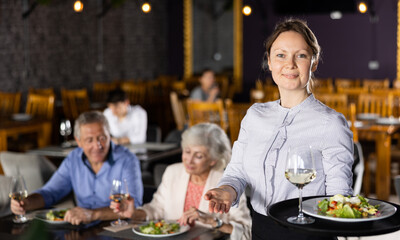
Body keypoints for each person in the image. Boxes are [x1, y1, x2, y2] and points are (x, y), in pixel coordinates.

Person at [204, 19, 354, 240]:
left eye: (301, 55)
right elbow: (237, 172)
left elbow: (339, 198)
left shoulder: (330, 123)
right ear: (270, 62)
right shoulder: (254, 116)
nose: (290, 64)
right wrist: (226, 191)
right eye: (281, 55)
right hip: (262, 229)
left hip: (310, 233)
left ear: (313, 63)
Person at [111, 123, 251, 239]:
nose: (189, 160)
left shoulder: (228, 184)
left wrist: (212, 221)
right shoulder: (173, 172)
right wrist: (134, 213)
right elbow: (156, 209)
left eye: (199, 156)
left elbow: (247, 231)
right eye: (187, 151)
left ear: (213, 160)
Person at [10, 111, 143, 225]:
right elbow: (51, 192)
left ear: (110, 136)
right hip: (81, 228)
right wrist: (26, 203)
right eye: (89, 140)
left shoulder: (127, 160)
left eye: (102, 138)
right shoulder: (73, 159)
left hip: (117, 228)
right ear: (78, 141)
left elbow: (134, 205)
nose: (97, 146)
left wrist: (93, 214)